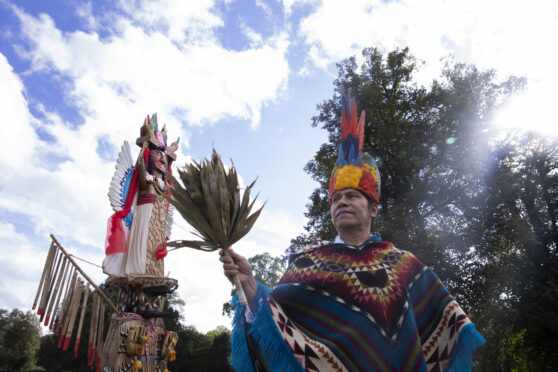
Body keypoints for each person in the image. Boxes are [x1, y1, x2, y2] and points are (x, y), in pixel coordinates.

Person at [220, 91, 485, 372]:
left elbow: (449, 322)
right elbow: (274, 328)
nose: (342, 202)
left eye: (352, 196)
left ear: (373, 209)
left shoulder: (405, 264)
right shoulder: (307, 261)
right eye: (336, 199)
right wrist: (248, 285)